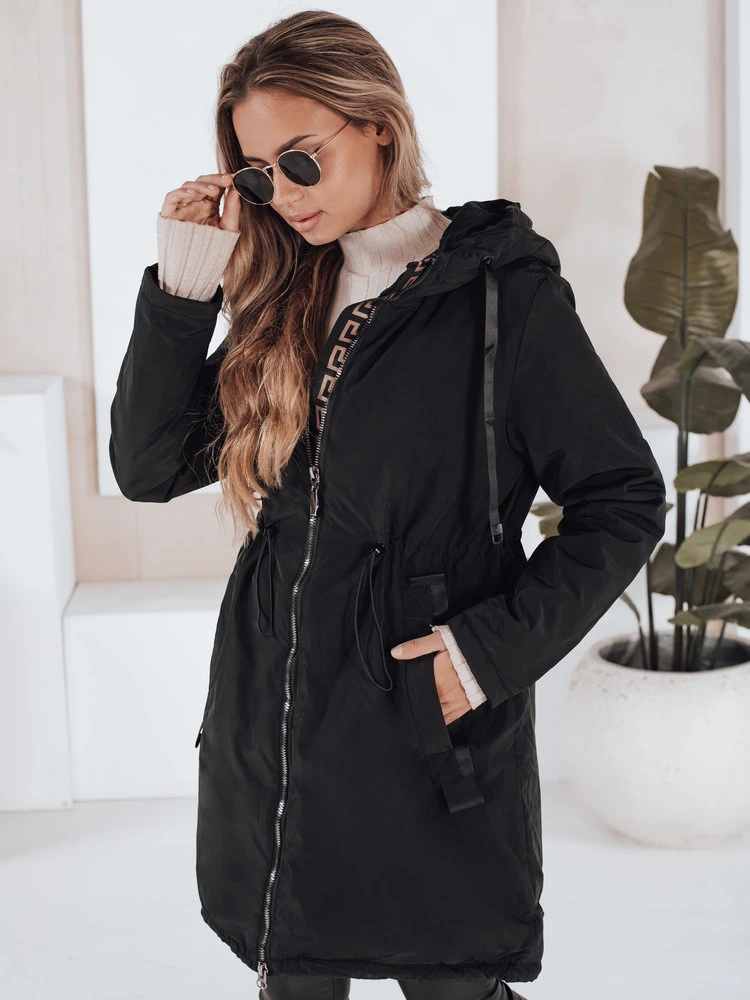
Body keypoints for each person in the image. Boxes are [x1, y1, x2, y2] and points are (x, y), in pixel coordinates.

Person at [109, 10, 667, 1000]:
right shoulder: (284, 295)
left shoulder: (502, 297)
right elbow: (149, 465)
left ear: (376, 123)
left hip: (422, 719)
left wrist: (483, 654)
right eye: (257, 175)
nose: (284, 195)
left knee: (451, 979)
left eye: (301, 160)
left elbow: (621, 497)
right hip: (277, 715)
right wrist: (186, 284)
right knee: (293, 975)